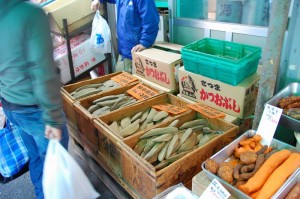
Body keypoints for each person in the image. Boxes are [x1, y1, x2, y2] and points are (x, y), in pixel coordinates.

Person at [0, 1, 69, 199]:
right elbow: (43, 71)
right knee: (55, 165)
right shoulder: (31, 14)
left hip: (12, 106)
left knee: (36, 157)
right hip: (36, 109)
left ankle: (41, 194)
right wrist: (54, 118)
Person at [91, 0, 159, 73]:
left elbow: (151, 21)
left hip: (137, 51)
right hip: (124, 50)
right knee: (120, 79)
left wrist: (145, 42)